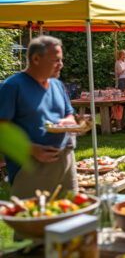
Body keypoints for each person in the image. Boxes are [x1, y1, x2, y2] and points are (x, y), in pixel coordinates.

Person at [0, 36, 79, 198]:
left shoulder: (57, 84)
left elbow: (69, 114)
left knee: (72, 215)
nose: (61, 65)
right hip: (31, 166)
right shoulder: (12, 86)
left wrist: (68, 122)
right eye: (55, 60)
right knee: (34, 219)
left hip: (66, 161)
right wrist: (33, 150)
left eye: (61, 60)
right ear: (36, 58)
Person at [112, 50, 125, 131]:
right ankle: (119, 121)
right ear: (120, 55)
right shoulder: (117, 62)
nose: (124, 56)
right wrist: (123, 70)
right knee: (121, 100)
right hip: (121, 80)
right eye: (123, 55)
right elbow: (118, 73)